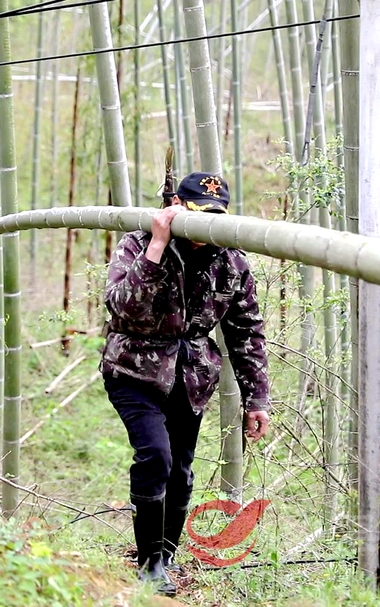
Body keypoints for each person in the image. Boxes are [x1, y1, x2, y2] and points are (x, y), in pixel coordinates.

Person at [100, 172, 271, 596]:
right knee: (155, 456)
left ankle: (167, 553)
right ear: (176, 205)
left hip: (191, 377)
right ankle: (150, 562)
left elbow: (246, 331)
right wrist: (157, 247)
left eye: (213, 218)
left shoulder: (230, 261)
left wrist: (257, 398)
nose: (204, 229)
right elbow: (122, 309)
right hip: (135, 369)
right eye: (197, 215)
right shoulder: (138, 244)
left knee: (180, 471)